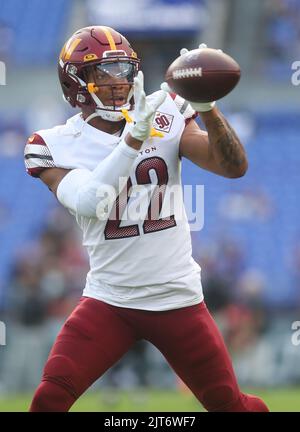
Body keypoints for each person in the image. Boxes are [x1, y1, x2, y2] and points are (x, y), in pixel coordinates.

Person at [24, 26, 269, 412]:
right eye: (102, 73)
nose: (116, 82)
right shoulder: (52, 143)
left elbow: (233, 166)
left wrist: (207, 106)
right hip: (109, 300)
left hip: (176, 297)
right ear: (75, 81)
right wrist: (134, 137)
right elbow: (92, 201)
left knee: (230, 405)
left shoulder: (165, 110)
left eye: (123, 70)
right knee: (50, 399)